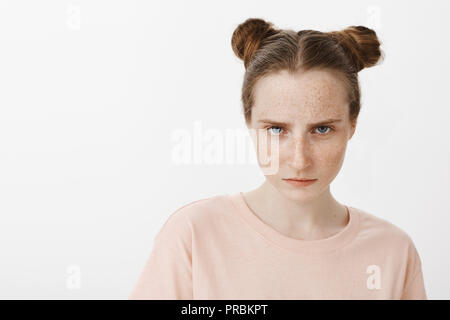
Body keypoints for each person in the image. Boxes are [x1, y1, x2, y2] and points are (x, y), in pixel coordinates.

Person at [129, 18, 427, 300]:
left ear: (352, 125)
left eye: (322, 129)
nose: (299, 160)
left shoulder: (393, 252)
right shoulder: (193, 235)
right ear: (249, 122)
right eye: (276, 129)